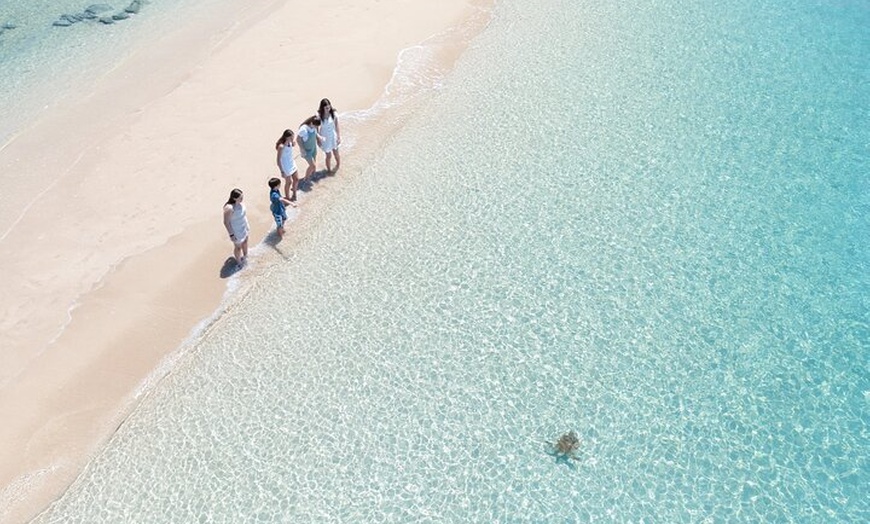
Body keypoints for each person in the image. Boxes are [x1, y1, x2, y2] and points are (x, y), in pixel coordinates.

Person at [223, 188, 249, 266]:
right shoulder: (229, 208)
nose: (242, 199)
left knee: (245, 242)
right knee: (238, 247)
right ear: (234, 198)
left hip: (243, 226)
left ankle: (245, 256)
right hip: (236, 230)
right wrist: (231, 234)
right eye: (240, 198)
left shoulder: (241, 204)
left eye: (242, 197)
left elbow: (244, 216)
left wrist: (247, 225)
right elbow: (226, 222)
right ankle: (239, 262)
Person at [317, 98, 341, 172]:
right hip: (325, 137)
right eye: (326, 107)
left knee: (336, 153)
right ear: (322, 108)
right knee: (328, 156)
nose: (328, 109)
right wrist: (318, 139)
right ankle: (329, 170)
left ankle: (338, 166)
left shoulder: (334, 114)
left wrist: (339, 136)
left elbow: (337, 126)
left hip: (333, 136)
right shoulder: (319, 116)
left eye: (329, 107)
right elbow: (317, 128)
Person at [275, 129, 300, 202]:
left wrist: (293, 142)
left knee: (296, 179)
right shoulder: (281, 146)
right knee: (289, 182)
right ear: (286, 137)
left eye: (293, 137)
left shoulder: (291, 143)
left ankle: (294, 194)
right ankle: (287, 197)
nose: (292, 139)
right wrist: (282, 171)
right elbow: (278, 160)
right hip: (285, 165)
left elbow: (293, 144)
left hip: (292, 163)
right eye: (291, 138)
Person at [297, 115, 322, 181]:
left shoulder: (313, 126)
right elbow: (298, 139)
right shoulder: (303, 129)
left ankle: (313, 175)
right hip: (306, 150)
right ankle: (306, 179)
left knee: (314, 162)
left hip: (313, 148)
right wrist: (302, 149)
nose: (316, 127)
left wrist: (319, 138)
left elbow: (315, 133)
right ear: (311, 123)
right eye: (316, 126)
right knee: (312, 165)